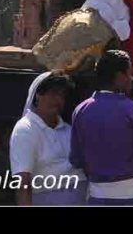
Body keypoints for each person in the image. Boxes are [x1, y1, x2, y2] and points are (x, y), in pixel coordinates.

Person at [69, 50, 133, 204]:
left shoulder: (81, 110)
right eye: (129, 74)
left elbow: (76, 157)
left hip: (97, 195)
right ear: (120, 76)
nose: (132, 78)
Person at [10, 71, 87, 205]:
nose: (57, 100)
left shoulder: (68, 130)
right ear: (38, 95)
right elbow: (23, 183)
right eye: (53, 93)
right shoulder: (25, 130)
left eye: (61, 95)